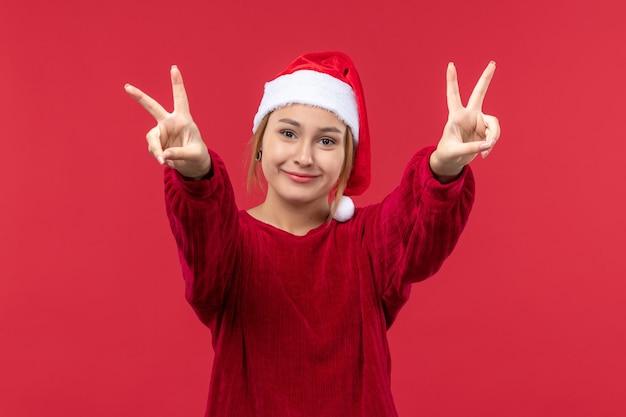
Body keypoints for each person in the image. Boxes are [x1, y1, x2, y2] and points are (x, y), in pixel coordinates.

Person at [124, 51, 500, 417]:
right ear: (259, 145)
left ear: (346, 159)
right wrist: (196, 172)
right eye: (288, 133)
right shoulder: (231, 245)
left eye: (327, 141)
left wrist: (445, 166)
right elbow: (203, 230)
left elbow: (416, 226)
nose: (304, 156)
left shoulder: (368, 242)